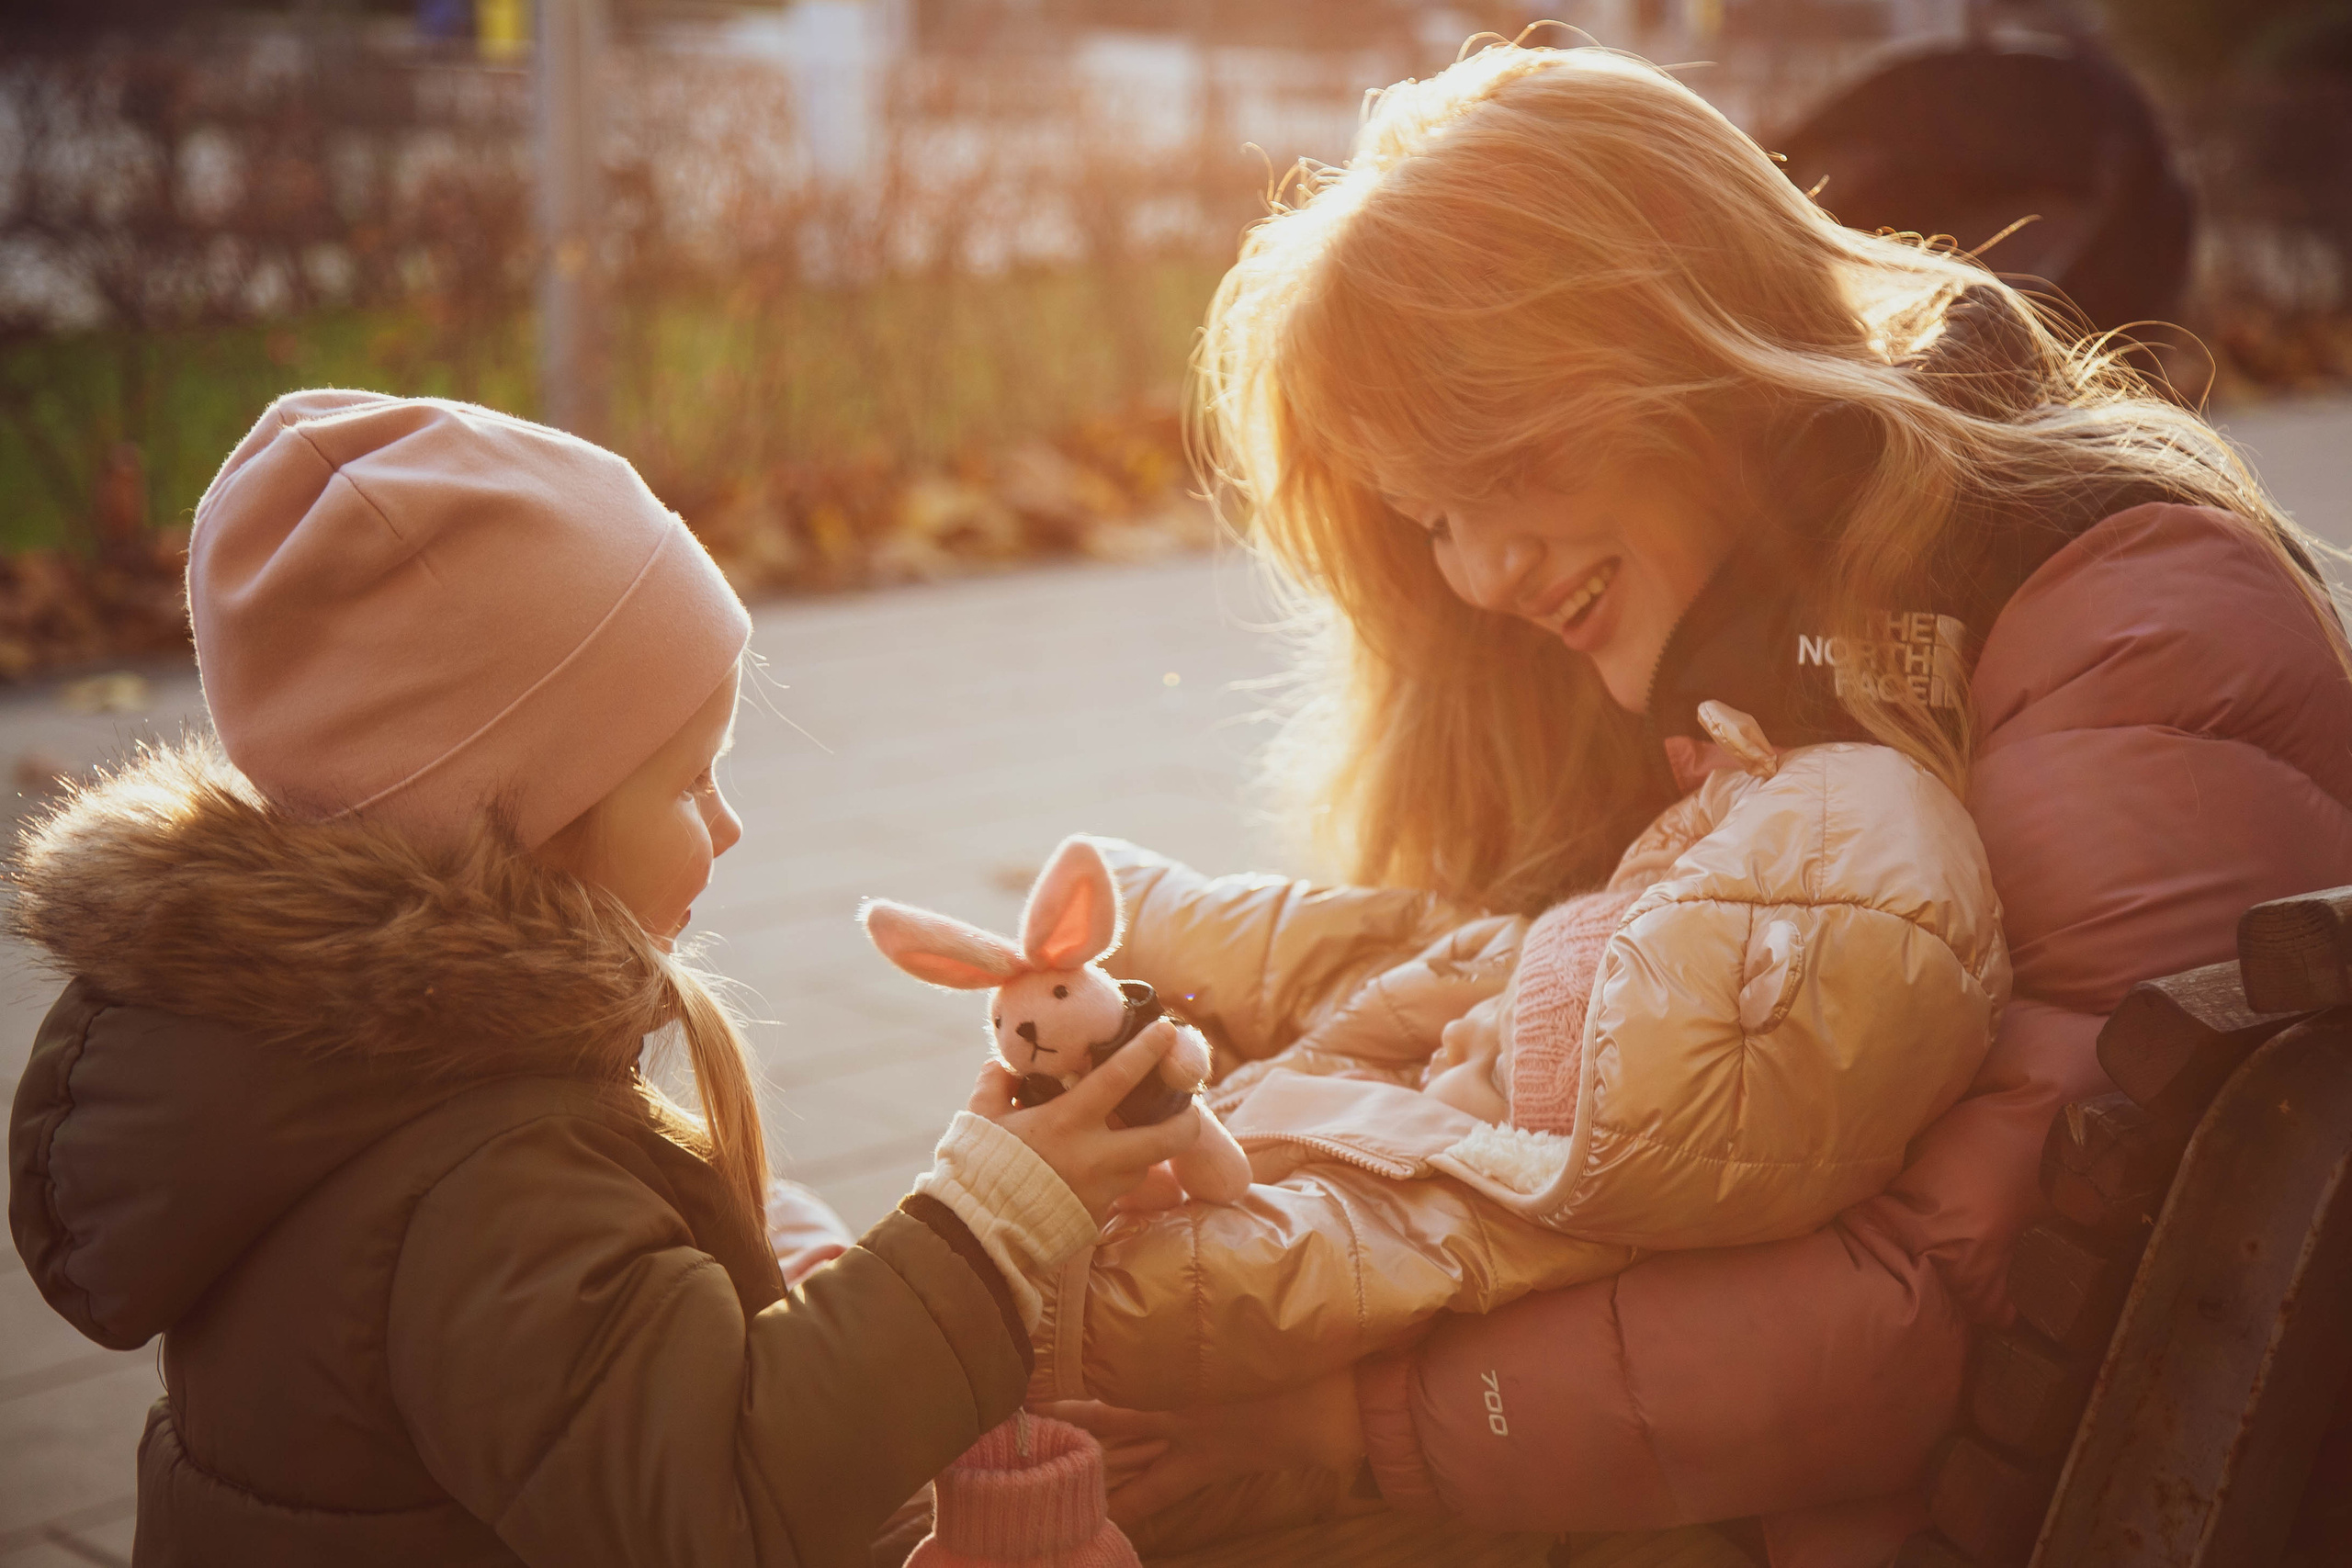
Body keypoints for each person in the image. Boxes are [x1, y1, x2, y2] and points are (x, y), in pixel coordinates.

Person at [1044, 41, 2352, 1567]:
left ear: (1676, 334)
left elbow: (1942, 1299)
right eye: (1432, 516)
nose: (1478, 573)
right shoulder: (1750, 665)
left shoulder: (2114, 624)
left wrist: (1353, 1424)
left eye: (1504, 463)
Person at [4, 390, 1198, 1567]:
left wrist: (793, 1264)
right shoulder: (488, 1185)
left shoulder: (361, 1073)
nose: (728, 824)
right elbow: (722, 1501)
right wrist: (988, 1231)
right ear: (519, 830)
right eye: (688, 782)